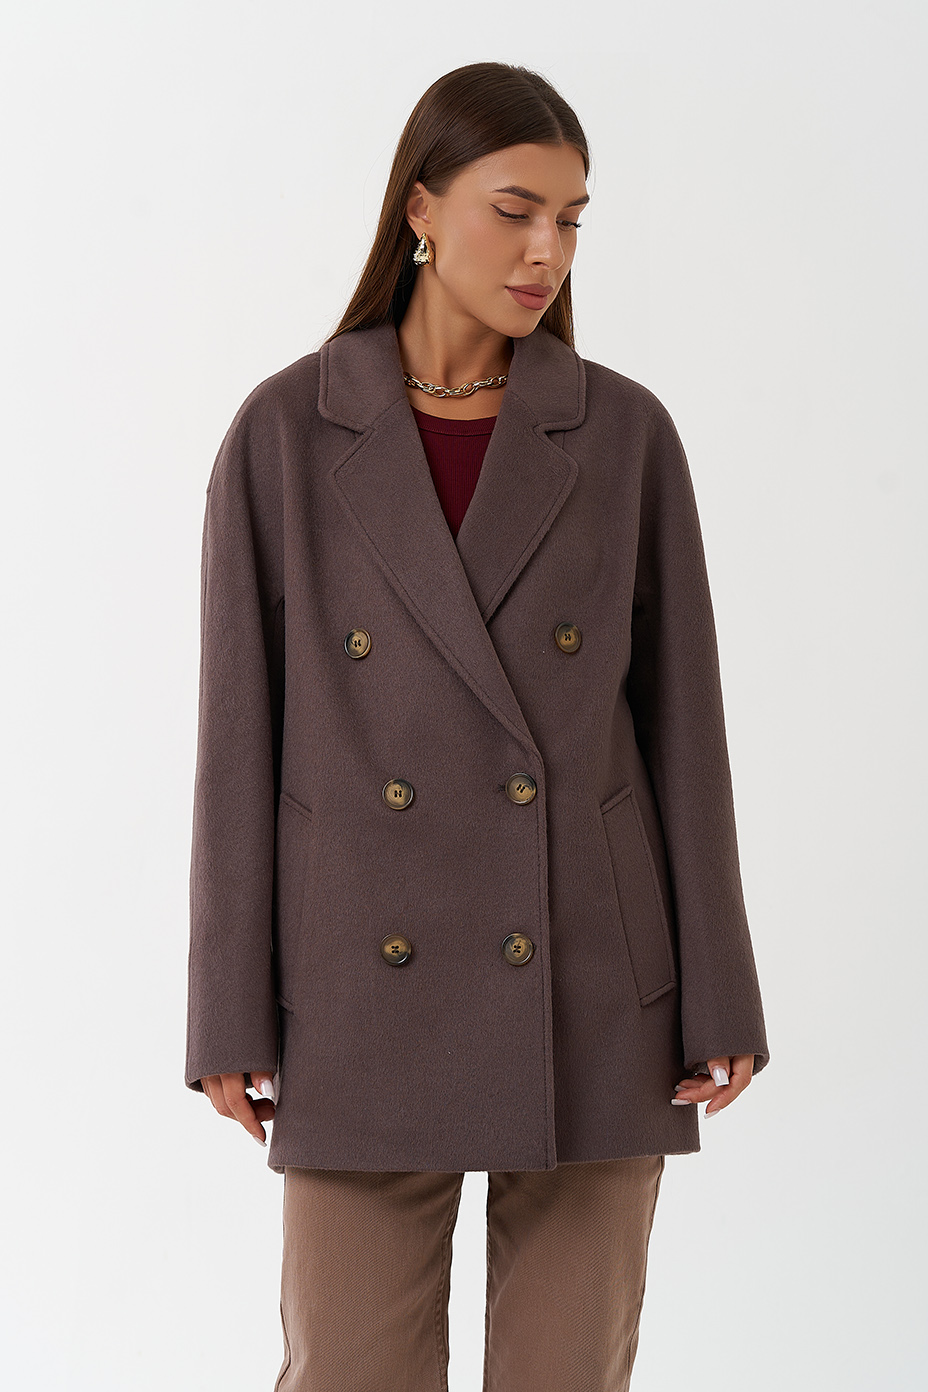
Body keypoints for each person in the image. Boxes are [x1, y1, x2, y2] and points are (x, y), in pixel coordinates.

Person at [185, 60, 770, 1392]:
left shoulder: (622, 434)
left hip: (589, 972)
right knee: (348, 1371)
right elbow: (236, 745)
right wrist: (227, 1005)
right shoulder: (286, 433)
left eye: (571, 220)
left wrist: (718, 987)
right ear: (420, 210)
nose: (546, 251)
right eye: (515, 211)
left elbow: (685, 727)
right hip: (356, 979)